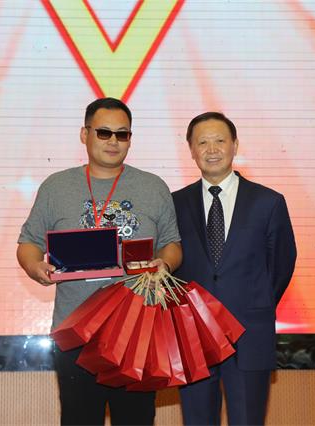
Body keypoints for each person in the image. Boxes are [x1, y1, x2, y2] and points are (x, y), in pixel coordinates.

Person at [17, 97, 182, 425]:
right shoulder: (56, 186)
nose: (113, 141)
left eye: (122, 134)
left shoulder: (153, 187)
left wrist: (165, 264)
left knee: (136, 420)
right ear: (85, 134)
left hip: (137, 333)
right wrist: (35, 267)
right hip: (75, 334)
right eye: (104, 132)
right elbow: (29, 243)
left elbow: (172, 245)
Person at [172, 112, 296, 425]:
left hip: (249, 334)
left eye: (220, 140)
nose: (212, 149)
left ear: (235, 145)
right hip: (194, 336)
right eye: (203, 142)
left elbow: (281, 265)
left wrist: (253, 302)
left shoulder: (268, 202)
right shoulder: (174, 204)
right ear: (191, 150)